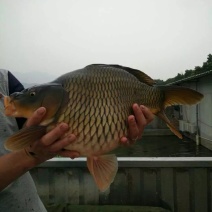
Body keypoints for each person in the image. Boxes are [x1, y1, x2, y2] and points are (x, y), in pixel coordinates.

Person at [0, 69, 154, 211]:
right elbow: (26, 142)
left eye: (33, 95)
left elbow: (27, 128)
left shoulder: (5, 79)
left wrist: (118, 130)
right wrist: (29, 154)